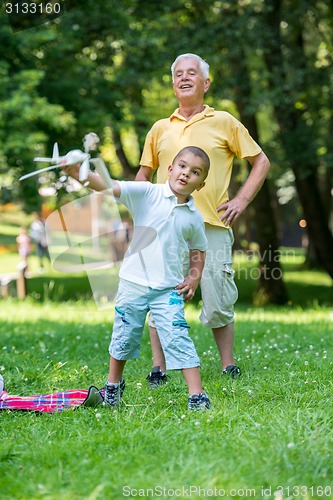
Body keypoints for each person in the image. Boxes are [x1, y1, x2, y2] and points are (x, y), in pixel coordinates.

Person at [135, 53, 270, 384]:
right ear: (173, 83)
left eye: (192, 73)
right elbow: (144, 173)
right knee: (162, 295)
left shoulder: (224, 121)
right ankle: (159, 368)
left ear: (205, 83)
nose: (184, 78)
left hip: (212, 225)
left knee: (218, 294)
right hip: (165, 227)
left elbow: (261, 161)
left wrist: (241, 199)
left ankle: (227, 365)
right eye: (178, 74)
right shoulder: (159, 128)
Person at [64, 146, 211, 410]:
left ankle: (197, 395)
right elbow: (109, 186)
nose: (186, 174)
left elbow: (198, 249)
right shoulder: (147, 193)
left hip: (168, 289)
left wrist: (194, 277)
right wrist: (78, 173)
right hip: (133, 284)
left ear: (201, 183)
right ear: (170, 169)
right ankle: (113, 386)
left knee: (178, 337)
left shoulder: (193, 217)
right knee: (124, 336)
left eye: (195, 172)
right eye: (182, 166)